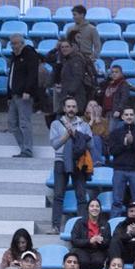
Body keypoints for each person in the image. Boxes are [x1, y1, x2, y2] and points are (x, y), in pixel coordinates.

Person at [48, 97, 89, 234]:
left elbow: (90, 144)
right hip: (61, 161)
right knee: (58, 195)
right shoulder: (56, 124)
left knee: (81, 196)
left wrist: (76, 134)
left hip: (78, 162)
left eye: (73, 106)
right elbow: (55, 145)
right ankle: (55, 227)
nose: (71, 109)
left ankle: (83, 228)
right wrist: (66, 136)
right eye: (69, 106)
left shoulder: (84, 124)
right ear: (64, 108)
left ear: (77, 109)